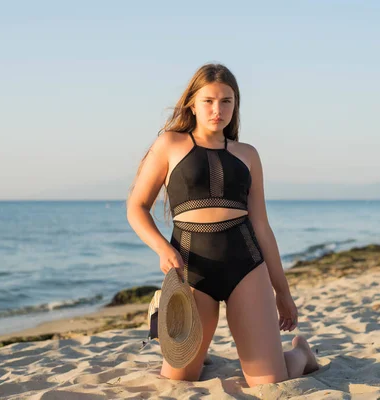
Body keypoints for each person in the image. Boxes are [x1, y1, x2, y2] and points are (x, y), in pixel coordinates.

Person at [126, 63, 319, 387]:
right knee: (179, 379)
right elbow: (136, 207)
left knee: (269, 383)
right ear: (192, 103)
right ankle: (201, 355)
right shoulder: (170, 145)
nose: (218, 109)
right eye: (209, 101)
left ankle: (302, 353)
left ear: (236, 104)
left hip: (245, 266)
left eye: (227, 101)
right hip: (191, 270)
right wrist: (161, 248)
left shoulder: (248, 155)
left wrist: (282, 292)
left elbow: (261, 225)